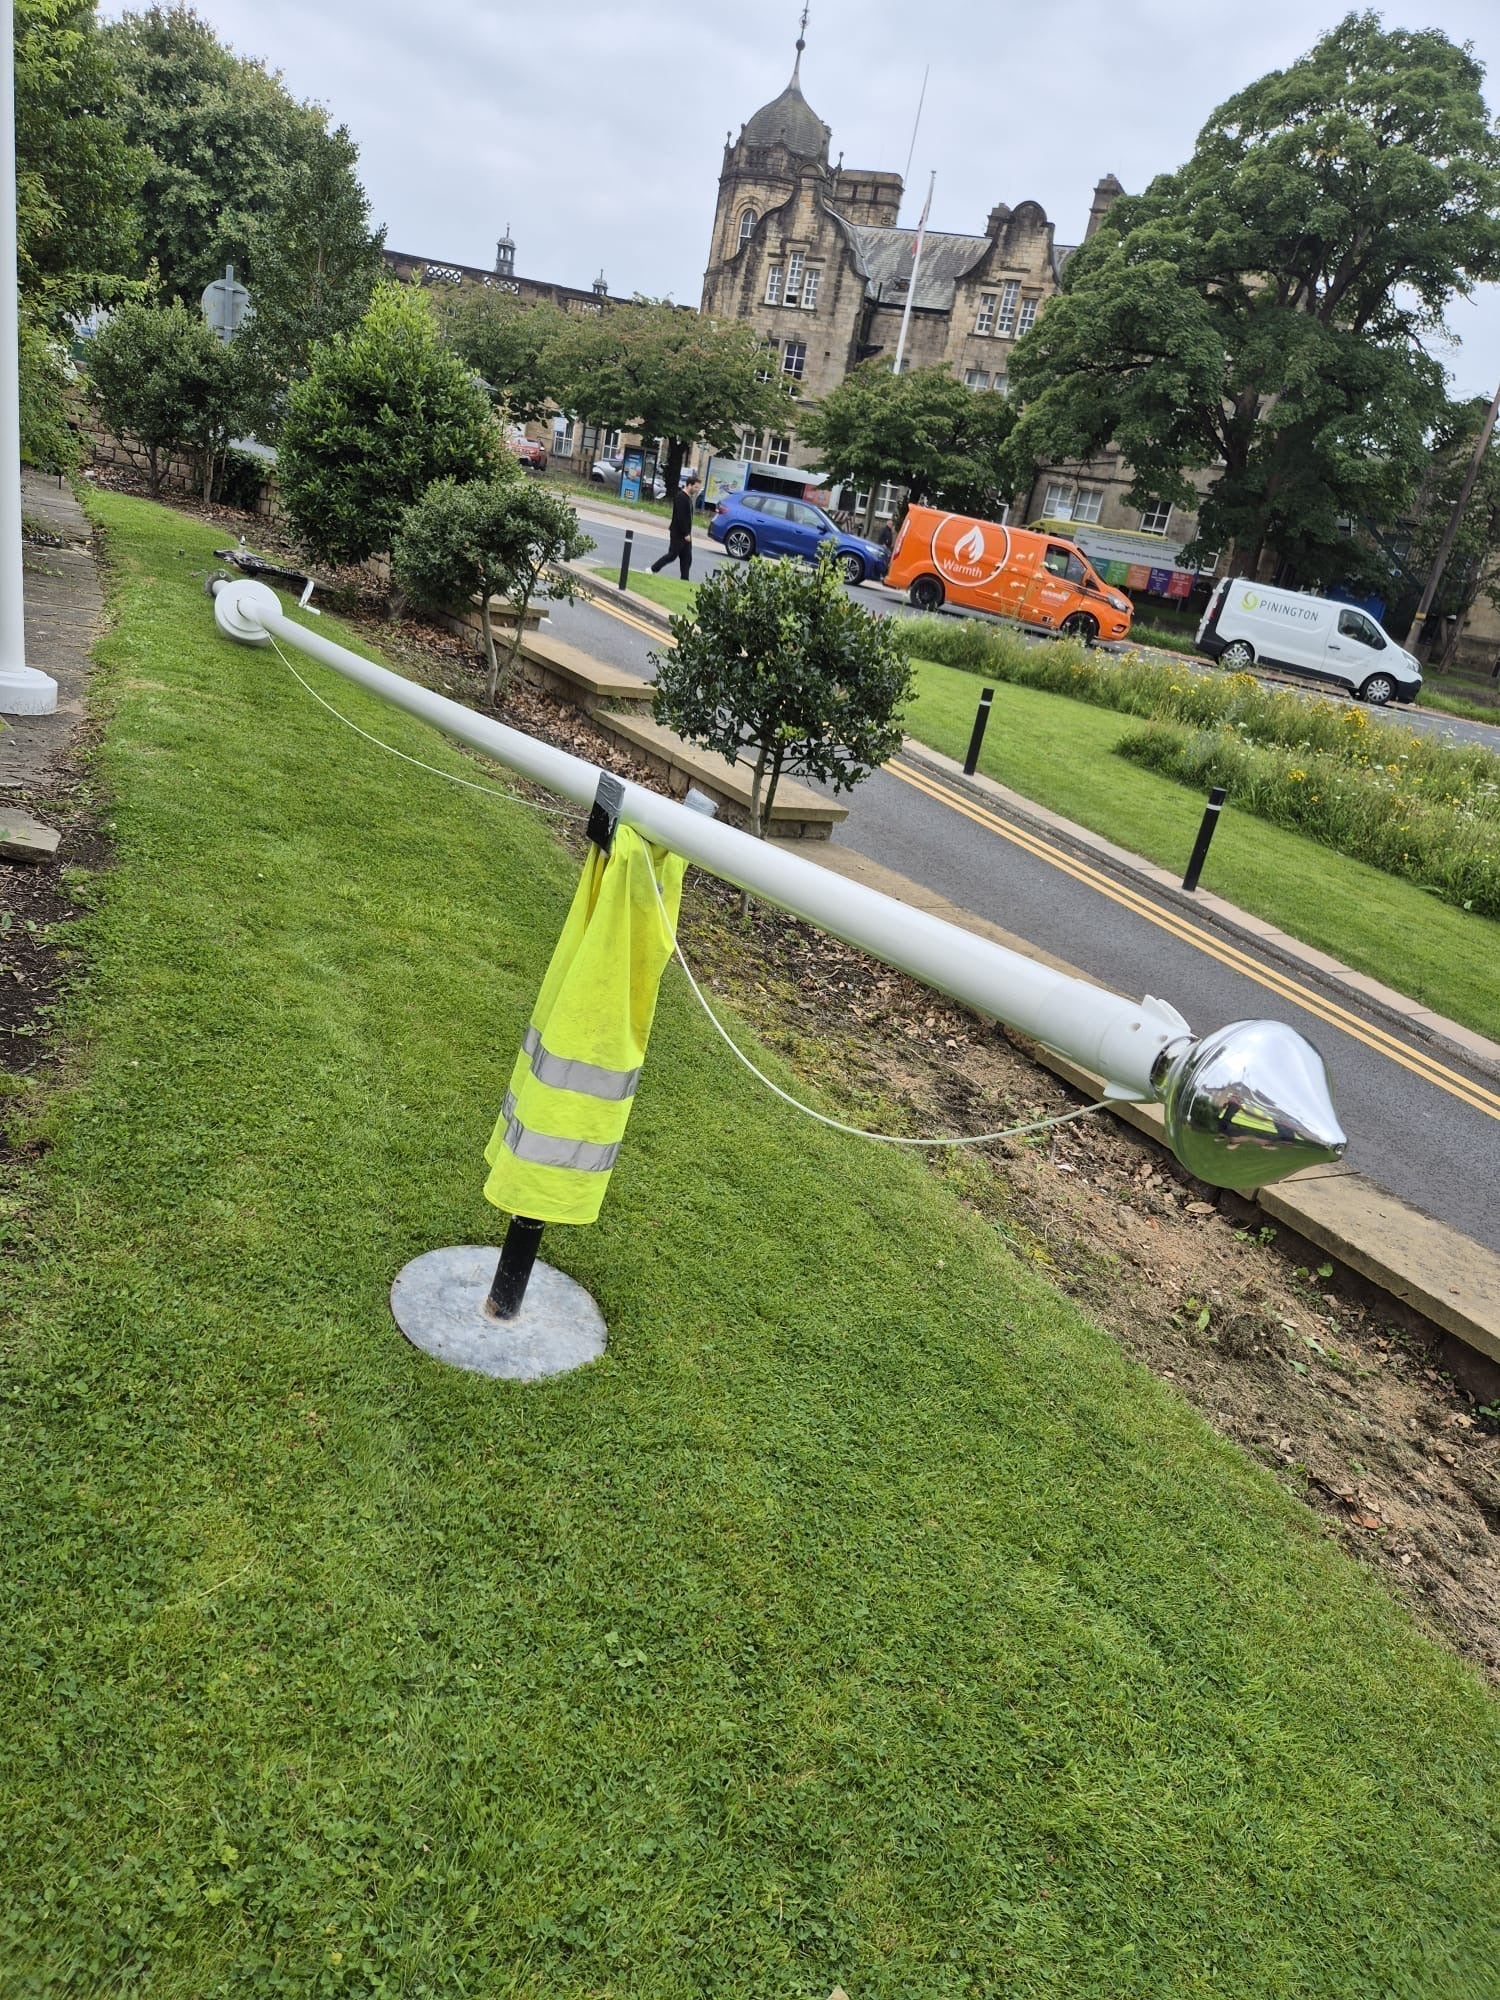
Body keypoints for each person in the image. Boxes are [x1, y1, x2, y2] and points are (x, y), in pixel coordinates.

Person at [651, 472, 700, 581]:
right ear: (689, 485)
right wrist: (686, 533)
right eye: (696, 487)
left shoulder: (688, 498)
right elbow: (681, 517)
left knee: (687, 558)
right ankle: (653, 569)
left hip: (685, 534)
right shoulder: (681, 497)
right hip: (679, 533)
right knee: (672, 555)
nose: (697, 490)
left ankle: (684, 580)